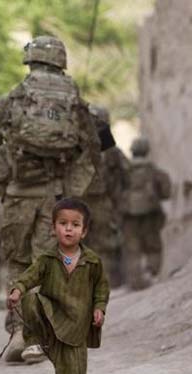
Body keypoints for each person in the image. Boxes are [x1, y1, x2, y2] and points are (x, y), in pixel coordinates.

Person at [0, 35, 101, 362]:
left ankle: (19, 331)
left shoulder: (16, 97)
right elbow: (93, 150)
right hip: (55, 197)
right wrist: (73, 192)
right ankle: (39, 337)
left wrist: (1, 177)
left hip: (19, 195)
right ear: (61, 61)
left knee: (18, 262)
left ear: (30, 60)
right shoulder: (75, 100)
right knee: (46, 264)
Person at [7, 198, 110, 374]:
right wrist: (17, 290)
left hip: (77, 327)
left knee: (73, 371)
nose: (69, 228)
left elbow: (101, 288)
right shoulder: (46, 259)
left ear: (84, 231)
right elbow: (29, 277)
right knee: (32, 298)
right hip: (52, 321)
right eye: (63, 223)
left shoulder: (93, 262)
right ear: (54, 228)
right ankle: (33, 341)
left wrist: (99, 308)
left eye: (75, 224)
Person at [83, 105, 130, 287]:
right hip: (103, 201)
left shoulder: (81, 148)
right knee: (106, 240)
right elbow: (127, 172)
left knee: (92, 241)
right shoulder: (111, 150)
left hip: (91, 201)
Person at [123, 137, 172, 289]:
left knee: (132, 247)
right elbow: (166, 192)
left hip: (129, 215)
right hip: (150, 214)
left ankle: (136, 280)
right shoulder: (154, 171)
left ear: (131, 151)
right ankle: (152, 273)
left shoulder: (124, 172)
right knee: (153, 245)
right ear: (147, 151)